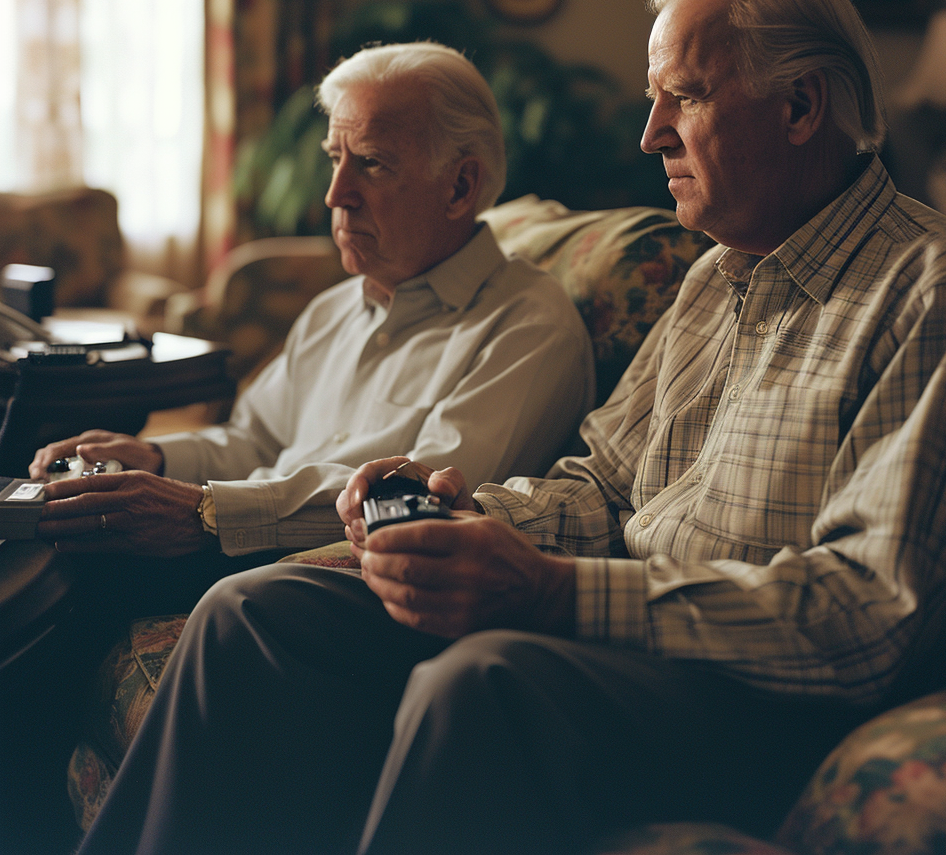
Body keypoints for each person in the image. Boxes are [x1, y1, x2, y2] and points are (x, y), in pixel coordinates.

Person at [76, 0, 946, 855]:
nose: (649, 134)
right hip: (625, 635)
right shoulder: (715, 282)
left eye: (682, 98)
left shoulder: (943, 281)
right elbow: (604, 485)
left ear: (801, 106)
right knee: (261, 606)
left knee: (480, 682)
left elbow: (872, 612)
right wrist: (461, 515)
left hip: (759, 692)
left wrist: (557, 591)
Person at [29, 41, 594, 611]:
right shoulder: (334, 308)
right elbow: (255, 439)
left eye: (371, 162)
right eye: (335, 158)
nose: (335, 194)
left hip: (338, 586)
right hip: (234, 546)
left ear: (459, 187)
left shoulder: (527, 325)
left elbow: (416, 502)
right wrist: (157, 459)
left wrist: (204, 511)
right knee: (44, 532)